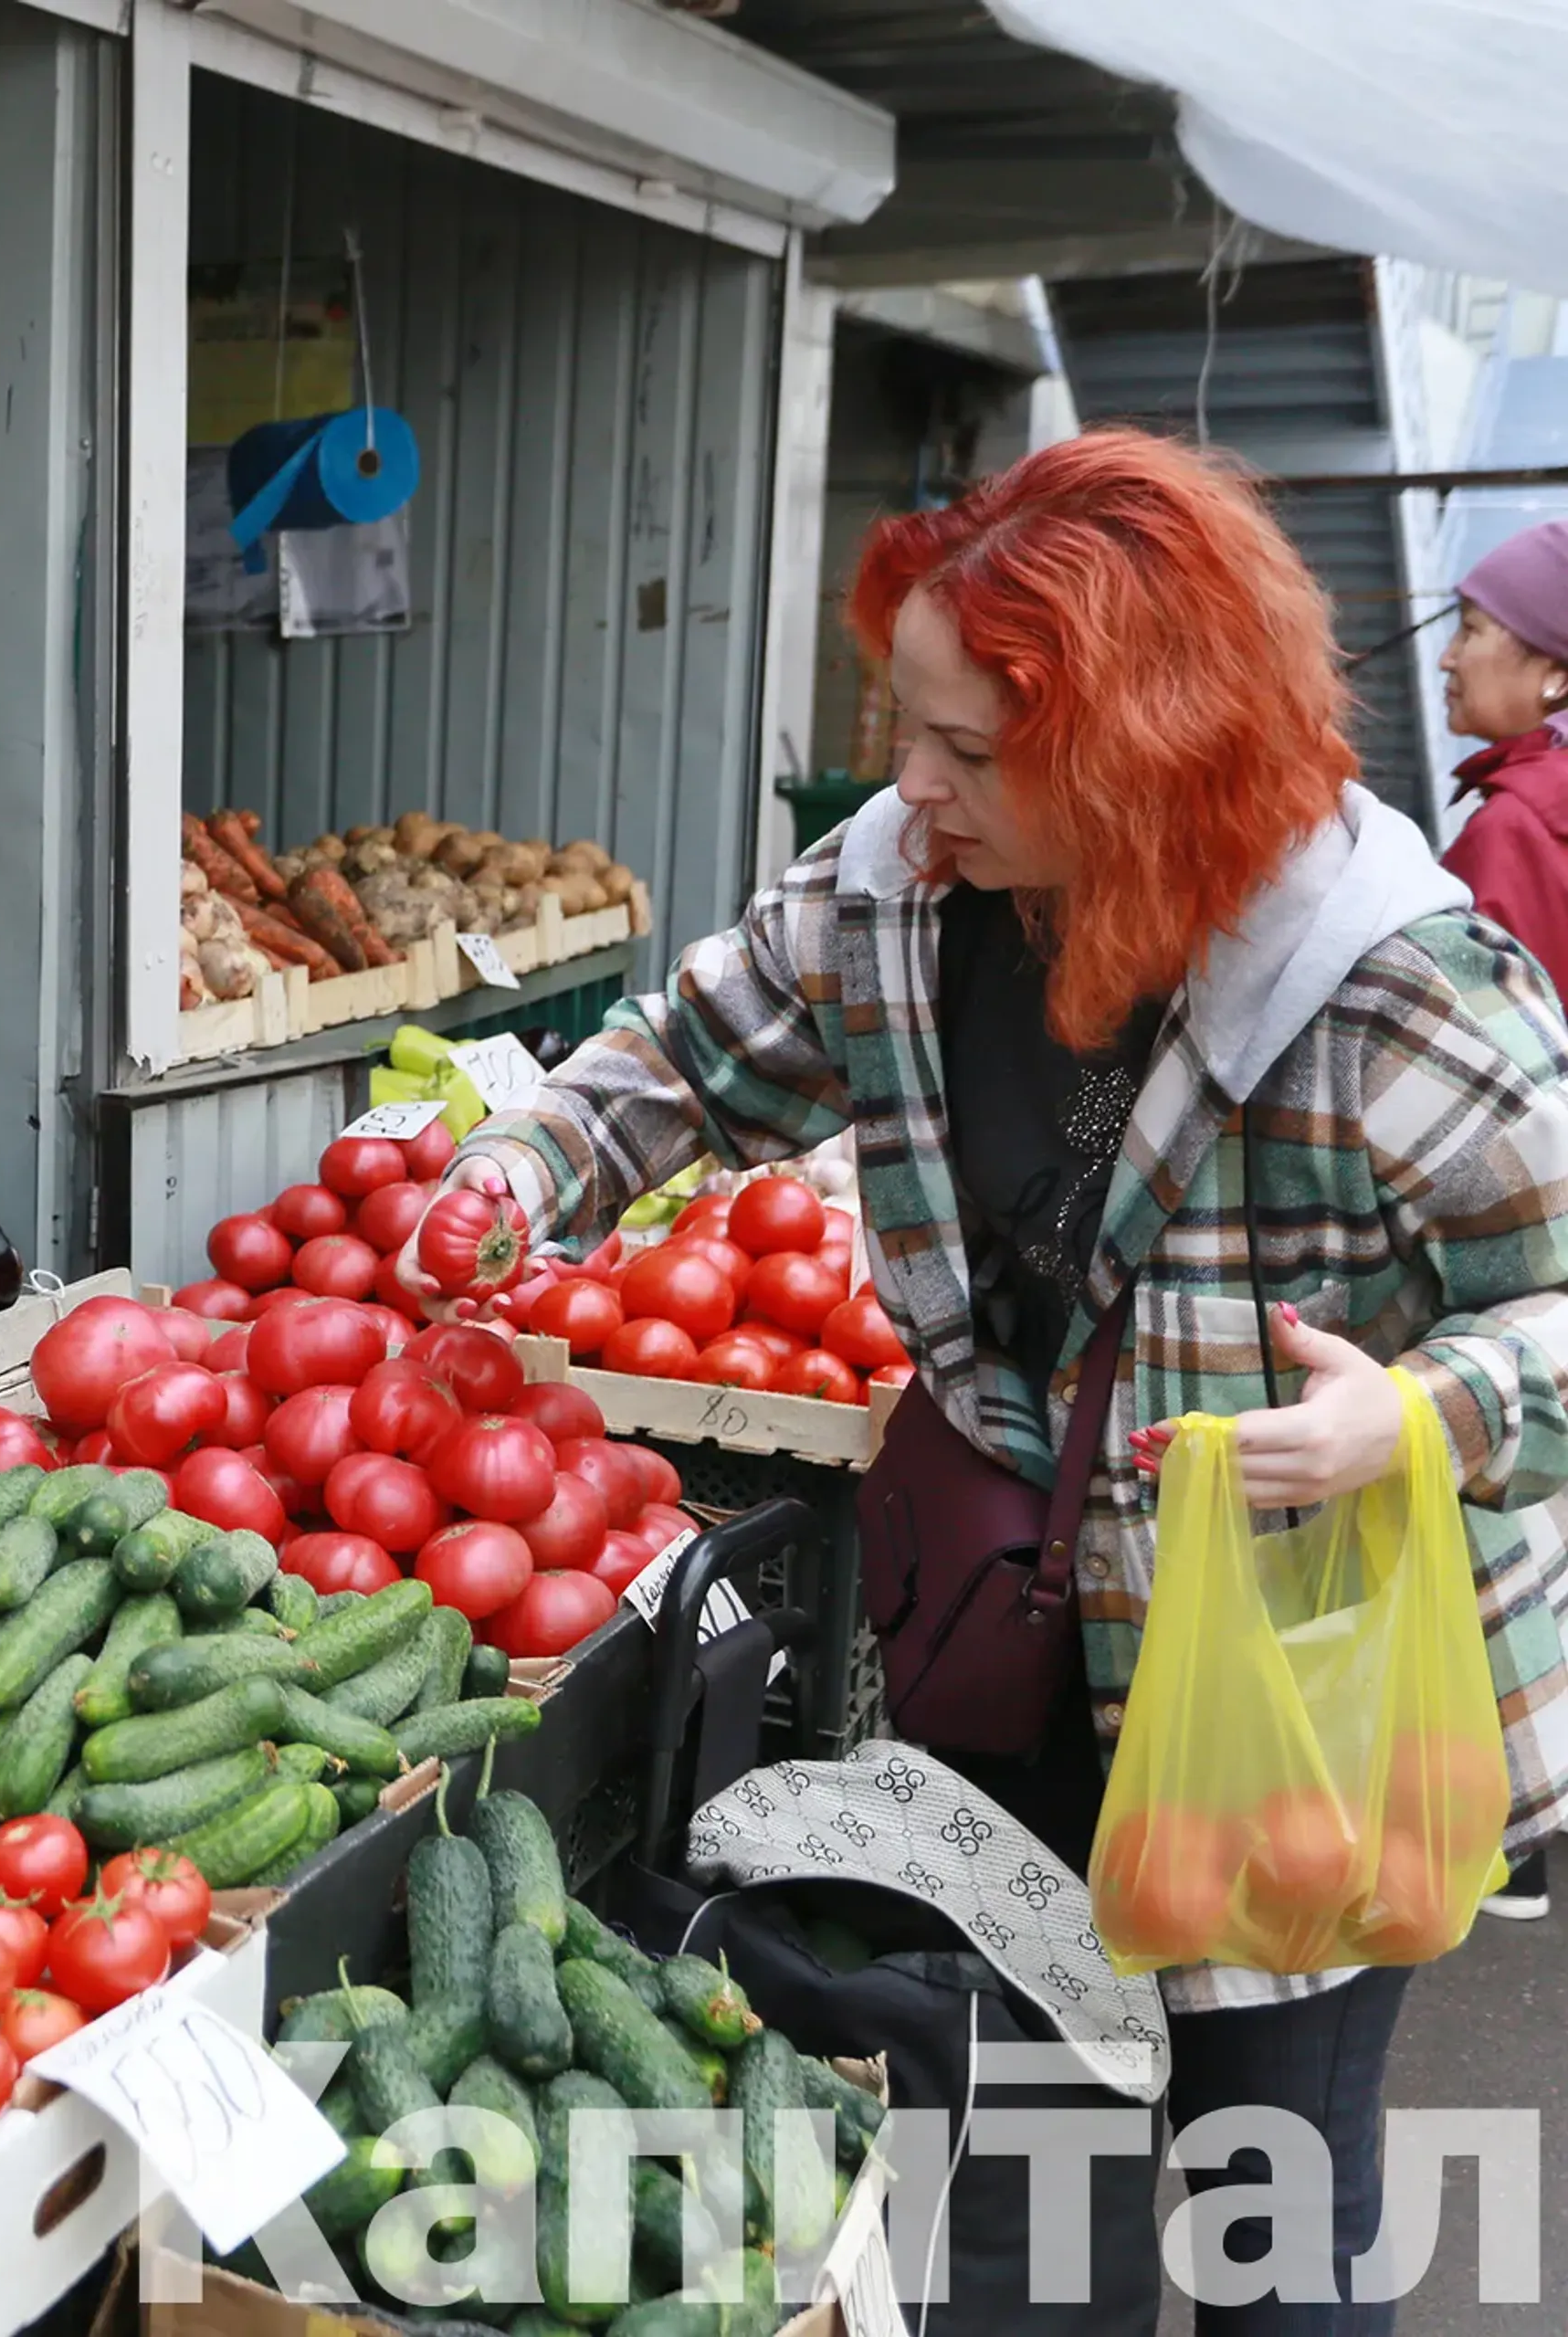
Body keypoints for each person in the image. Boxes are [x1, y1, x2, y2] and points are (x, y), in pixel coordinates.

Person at [411, 431, 1568, 2332]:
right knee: (1025, 2164)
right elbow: (697, 1053)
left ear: (1143, 742)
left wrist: (1422, 1413)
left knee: (1277, 2189)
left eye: (968, 748)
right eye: (907, 727)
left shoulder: (1394, 982)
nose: (911, 786)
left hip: (1301, 1692)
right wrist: (526, 1160)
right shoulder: (896, 889)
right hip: (1022, 1648)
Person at [1431, 516, 1568, 1921]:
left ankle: (1505, 1831)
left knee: (1506, 1481)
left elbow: (1488, 1085)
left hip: (1539, 1212)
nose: (1458, 649)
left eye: (1481, 627)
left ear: (1554, 672)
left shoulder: (1513, 827)